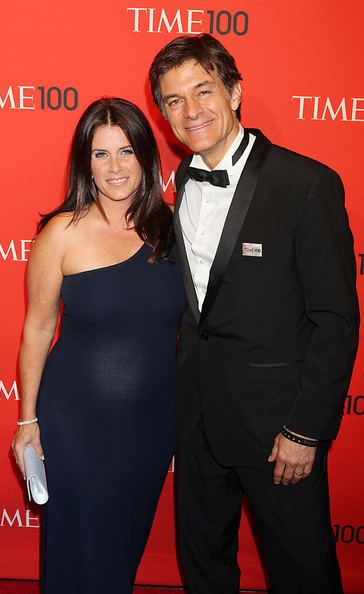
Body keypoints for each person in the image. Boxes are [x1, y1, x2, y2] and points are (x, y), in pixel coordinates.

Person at [149, 34, 359, 594]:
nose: (191, 111)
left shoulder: (306, 184)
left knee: (303, 572)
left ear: (235, 91)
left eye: (203, 91)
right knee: (205, 570)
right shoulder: (174, 190)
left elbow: (336, 321)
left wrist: (305, 430)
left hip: (277, 432)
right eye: (174, 100)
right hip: (196, 425)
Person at [11, 97, 186, 594]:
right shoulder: (60, 234)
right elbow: (38, 329)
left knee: (122, 550)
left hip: (152, 426)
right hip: (77, 427)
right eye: (101, 154)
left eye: (126, 152)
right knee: (83, 552)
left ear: (147, 157)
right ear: (84, 161)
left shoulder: (172, 228)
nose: (115, 167)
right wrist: (27, 422)